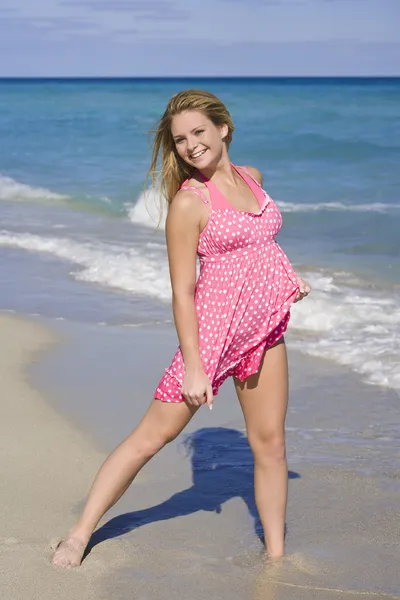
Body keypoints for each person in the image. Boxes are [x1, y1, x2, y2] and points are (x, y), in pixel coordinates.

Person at [51, 89, 310, 568]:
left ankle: (276, 557)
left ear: (223, 128)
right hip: (209, 341)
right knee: (149, 439)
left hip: (262, 332)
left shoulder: (253, 179)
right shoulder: (190, 203)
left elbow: (260, 242)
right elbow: (182, 292)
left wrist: (288, 278)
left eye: (198, 132)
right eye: (180, 140)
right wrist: (194, 367)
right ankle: (79, 532)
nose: (191, 145)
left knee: (271, 444)